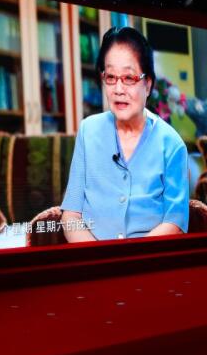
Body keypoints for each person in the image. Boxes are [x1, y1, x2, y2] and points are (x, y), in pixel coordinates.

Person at [61, 26, 189, 242]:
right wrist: (99, 256)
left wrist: (130, 256)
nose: (118, 89)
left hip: (148, 258)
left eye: (129, 77)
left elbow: (175, 223)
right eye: (111, 77)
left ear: (148, 85)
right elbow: (70, 215)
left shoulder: (171, 144)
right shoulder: (88, 131)